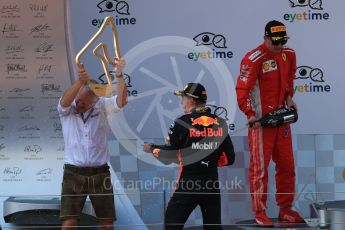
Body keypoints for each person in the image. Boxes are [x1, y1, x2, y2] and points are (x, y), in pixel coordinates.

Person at [236, 20, 304, 227]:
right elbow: (242, 90)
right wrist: (249, 114)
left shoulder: (289, 53)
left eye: (282, 41)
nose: (279, 45)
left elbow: (290, 79)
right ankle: (260, 211)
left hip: (282, 119)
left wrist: (289, 98)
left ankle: (285, 209)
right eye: (275, 42)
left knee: (287, 166)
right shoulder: (253, 58)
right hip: (260, 123)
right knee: (260, 169)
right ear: (265, 38)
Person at [143, 83, 235, 230]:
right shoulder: (220, 122)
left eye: (183, 98)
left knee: (172, 225)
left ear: (191, 101)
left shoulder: (181, 122)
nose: (181, 102)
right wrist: (207, 160)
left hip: (188, 184)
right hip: (211, 185)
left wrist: (152, 149)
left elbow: (168, 157)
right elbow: (230, 158)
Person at [58, 58, 127, 230]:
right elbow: (64, 102)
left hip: (100, 172)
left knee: (106, 223)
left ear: (94, 101)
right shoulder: (68, 108)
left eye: (84, 102)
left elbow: (122, 101)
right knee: (69, 224)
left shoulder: (103, 105)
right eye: (79, 99)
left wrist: (119, 74)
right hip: (73, 172)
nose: (79, 104)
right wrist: (80, 82)